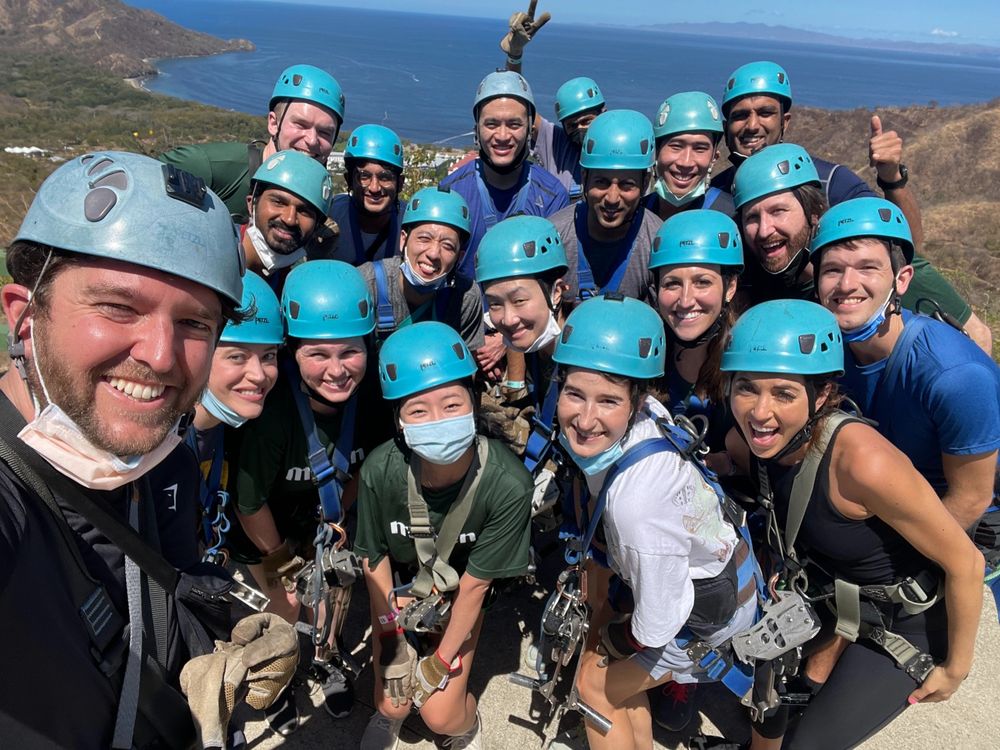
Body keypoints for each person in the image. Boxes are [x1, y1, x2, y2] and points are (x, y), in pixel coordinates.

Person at [0, 151, 245, 746]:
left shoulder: (163, 462)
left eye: (194, 324)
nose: (161, 355)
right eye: (117, 307)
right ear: (24, 317)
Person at [719, 299, 984, 749]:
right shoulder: (749, 443)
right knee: (769, 702)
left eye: (784, 393)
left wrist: (954, 670)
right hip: (828, 596)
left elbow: (967, 564)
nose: (759, 413)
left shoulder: (863, 463)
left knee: (808, 744)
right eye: (746, 388)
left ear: (820, 395)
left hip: (902, 621)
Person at [551, 294, 756, 750]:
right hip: (720, 571)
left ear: (636, 398)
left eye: (607, 400)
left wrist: (613, 638)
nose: (585, 419)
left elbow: (655, 626)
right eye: (574, 394)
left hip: (705, 611)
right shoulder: (651, 417)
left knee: (594, 687)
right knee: (619, 682)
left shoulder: (635, 505)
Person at [713, 60, 992, 352]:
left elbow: (903, 248)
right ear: (726, 127)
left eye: (766, 112)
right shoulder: (714, 198)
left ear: (786, 121)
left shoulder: (830, 183)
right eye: (740, 115)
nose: (753, 125)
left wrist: (892, 179)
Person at [228, 260, 389, 734]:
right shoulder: (272, 417)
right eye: (318, 354)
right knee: (292, 603)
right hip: (263, 526)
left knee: (337, 587)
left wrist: (337, 524)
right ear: (292, 353)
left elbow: (361, 468)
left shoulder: (374, 401)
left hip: (316, 517)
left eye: (350, 352)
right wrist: (281, 561)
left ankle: (328, 656)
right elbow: (249, 501)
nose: (337, 370)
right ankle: (273, 675)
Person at [356, 321, 533, 750]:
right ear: (398, 421)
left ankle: (466, 723)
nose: (438, 421)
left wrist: (438, 661)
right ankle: (391, 714)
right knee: (391, 704)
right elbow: (372, 556)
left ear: (473, 403)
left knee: (440, 716)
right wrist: (389, 635)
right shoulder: (381, 471)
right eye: (418, 411)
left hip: (460, 596)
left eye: (452, 404)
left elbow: (476, 587)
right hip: (404, 591)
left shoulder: (508, 483)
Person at [810, 197, 1000, 528]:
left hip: (964, 524)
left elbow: (971, 498)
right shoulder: (826, 350)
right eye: (832, 270)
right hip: (886, 505)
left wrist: (896, 569)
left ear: (902, 279)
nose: (846, 284)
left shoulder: (952, 374)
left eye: (867, 267)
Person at [732, 144, 992, 353]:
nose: (765, 229)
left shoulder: (879, 262)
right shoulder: (756, 284)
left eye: (779, 211)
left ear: (814, 214)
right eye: (751, 218)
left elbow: (979, 336)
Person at [160, 63, 345, 224]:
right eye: (300, 125)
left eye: (325, 132)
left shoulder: (317, 199)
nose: (312, 140)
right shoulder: (208, 166)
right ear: (273, 123)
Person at [187, 271, 284, 563]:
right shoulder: (162, 446)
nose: (259, 375)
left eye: (269, 356)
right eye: (237, 356)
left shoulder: (220, 429)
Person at [441, 70, 569, 274]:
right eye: (491, 124)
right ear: (477, 130)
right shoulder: (452, 192)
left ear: (529, 130)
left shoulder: (552, 197)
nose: (502, 135)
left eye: (514, 124)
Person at [549, 109, 662, 305]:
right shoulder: (554, 237)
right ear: (584, 178)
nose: (612, 198)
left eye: (627, 184)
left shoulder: (656, 244)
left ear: (644, 184)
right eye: (601, 182)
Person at [359, 186, 485, 351]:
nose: (433, 253)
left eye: (447, 246)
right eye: (424, 239)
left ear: (458, 258)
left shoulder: (465, 297)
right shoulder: (365, 285)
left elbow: (467, 370)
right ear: (403, 240)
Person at [240, 149, 334, 289]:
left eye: (304, 211)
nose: (290, 219)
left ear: (317, 226)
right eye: (279, 202)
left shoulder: (290, 283)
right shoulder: (215, 259)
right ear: (251, 203)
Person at [644, 91, 735, 222]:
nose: (686, 162)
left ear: (714, 158)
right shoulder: (636, 215)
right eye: (676, 146)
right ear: (657, 151)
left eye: (700, 149)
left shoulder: (732, 217)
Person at [329, 124, 407, 265]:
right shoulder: (330, 215)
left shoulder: (411, 225)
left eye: (385, 177)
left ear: (400, 183)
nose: (374, 188)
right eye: (364, 176)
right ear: (349, 181)